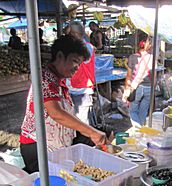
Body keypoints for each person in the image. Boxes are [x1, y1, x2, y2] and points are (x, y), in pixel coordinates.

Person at [20, 35, 108, 173]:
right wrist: (92, 132)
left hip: (58, 146)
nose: (77, 68)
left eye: (79, 64)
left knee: (102, 132)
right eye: (75, 61)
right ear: (60, 56)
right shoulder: (44, 78)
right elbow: (56, 113)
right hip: (38, 147)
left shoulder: (59, 82)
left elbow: (66, 116)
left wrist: (91, 133)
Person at [123, 34, 153, 126]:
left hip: (137, 88)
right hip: (149, 88)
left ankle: (137, 130)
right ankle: (142, 131)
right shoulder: (153, 57)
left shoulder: (132, 57)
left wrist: (126, 89)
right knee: (143, 113)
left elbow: (129, 76)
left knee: (133, 111)